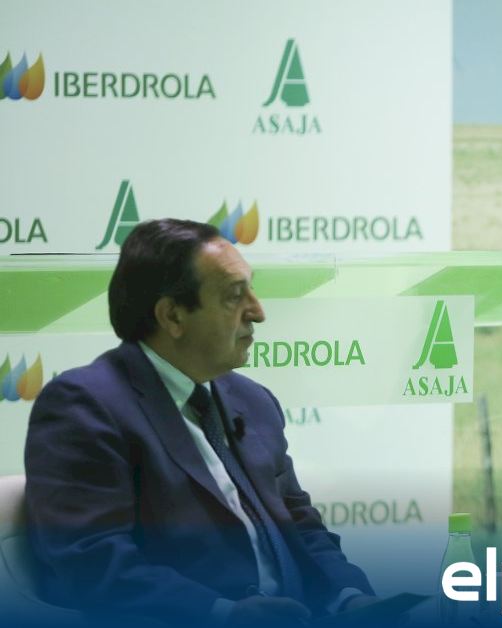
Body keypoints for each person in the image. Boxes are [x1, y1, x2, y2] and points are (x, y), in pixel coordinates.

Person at [24, 219, 379, 626]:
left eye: (251, 289)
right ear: (172, 315)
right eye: (234, 295)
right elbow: (92, 561)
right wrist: (224, 614)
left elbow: (299, 524)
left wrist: (350, 596)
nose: (258, 312)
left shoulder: (253, 401)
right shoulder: (84, 405)